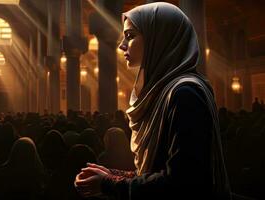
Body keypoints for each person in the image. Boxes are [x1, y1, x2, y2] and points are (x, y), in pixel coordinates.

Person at [74, 2, 231, 200]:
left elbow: (181, 184)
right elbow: (159, 172)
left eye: (130, 36)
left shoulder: (185, 94)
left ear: (159, 38)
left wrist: (109, 183)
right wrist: (113, 176)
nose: (122, 45)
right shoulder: (165, 91)